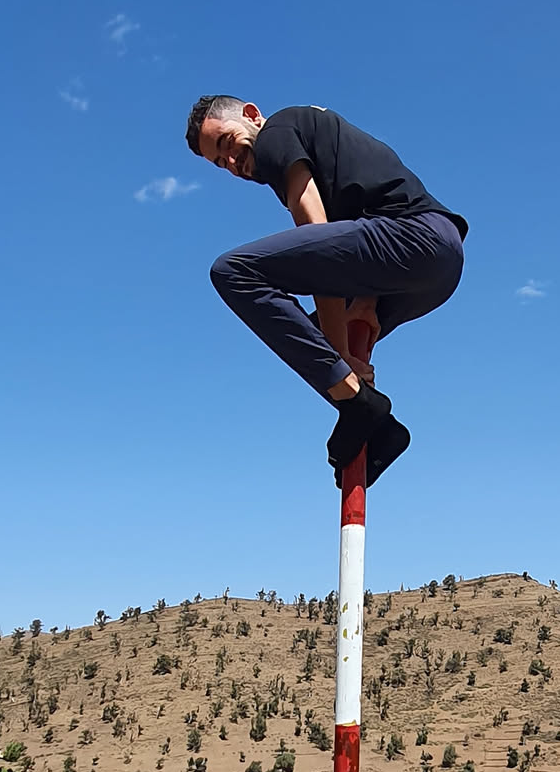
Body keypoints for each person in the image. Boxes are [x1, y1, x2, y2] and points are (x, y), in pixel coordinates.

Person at [185, 95, 467, 484]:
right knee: (308, 337)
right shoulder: (318, 143)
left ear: (252, 115)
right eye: (221, 163)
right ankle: (380, 428)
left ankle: (359, 405)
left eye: (227, 143)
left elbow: (317, 237)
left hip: (415, 237)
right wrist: (363, 306)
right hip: (432, 266)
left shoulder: (277, 132)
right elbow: (358, 222)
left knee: (234, 272)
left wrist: (343, 359)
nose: (232, 163)